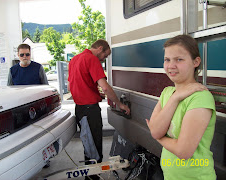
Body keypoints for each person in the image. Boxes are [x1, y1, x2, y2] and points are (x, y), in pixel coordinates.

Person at [146, 35, 216, 180]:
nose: (171, 65)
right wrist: (176, 98)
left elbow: (183, 151)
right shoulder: (167, 93)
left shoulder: (200, 97)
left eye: (179, 59)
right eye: (167, 59)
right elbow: (157, 129)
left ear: (196, 61)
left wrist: (158, 138)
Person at [68, 39, 130, 180]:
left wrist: (94, 93)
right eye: (105, 55)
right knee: (94, 150)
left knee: (89, 147)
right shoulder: (92, 59)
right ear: (100, 48)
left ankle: (90, 176)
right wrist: (120, 104)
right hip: (90, 112)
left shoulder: (75, 59)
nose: (104, 59)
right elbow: (106, 87)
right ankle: (93, 178)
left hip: (80, 109)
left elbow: (74, 84)